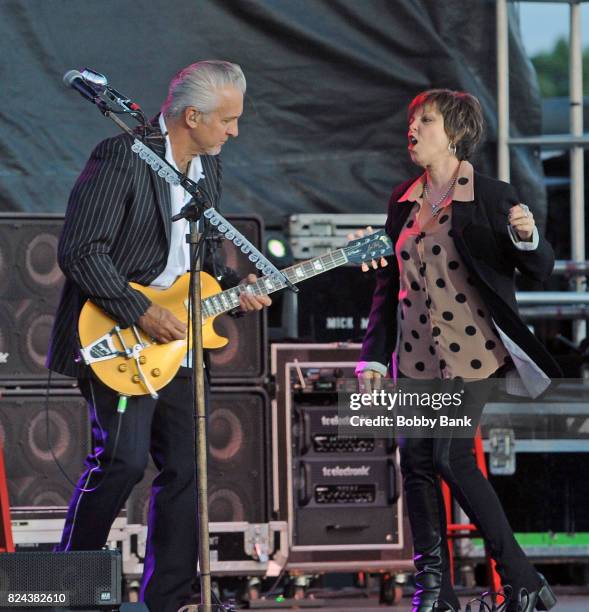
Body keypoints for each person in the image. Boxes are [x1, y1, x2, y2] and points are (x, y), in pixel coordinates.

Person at [47, 60, 271, 612]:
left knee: (187, 471)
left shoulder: (207, 169)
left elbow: (202, 266)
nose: (234, 131)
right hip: (119, 330)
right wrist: (140, 311)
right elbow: (80, 250)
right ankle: (65, 593)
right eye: (228, 120)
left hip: (181, 342)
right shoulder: (123, 155)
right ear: (192, 116)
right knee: (121, 461)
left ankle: (167, 600)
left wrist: (237, 293)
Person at [356, 89, 560, 612]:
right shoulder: (402, 200)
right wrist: (374, 356)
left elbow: (539, 269)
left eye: (426, 120)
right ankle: (435, 590)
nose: (414, 128)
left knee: (450, 456)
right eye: (412, 120)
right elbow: (389, 287)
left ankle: (520, 577)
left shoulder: (490, 195)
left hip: (472, 353)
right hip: (415, 355)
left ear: (455, 132)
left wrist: (528, 235)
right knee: (417, 462)